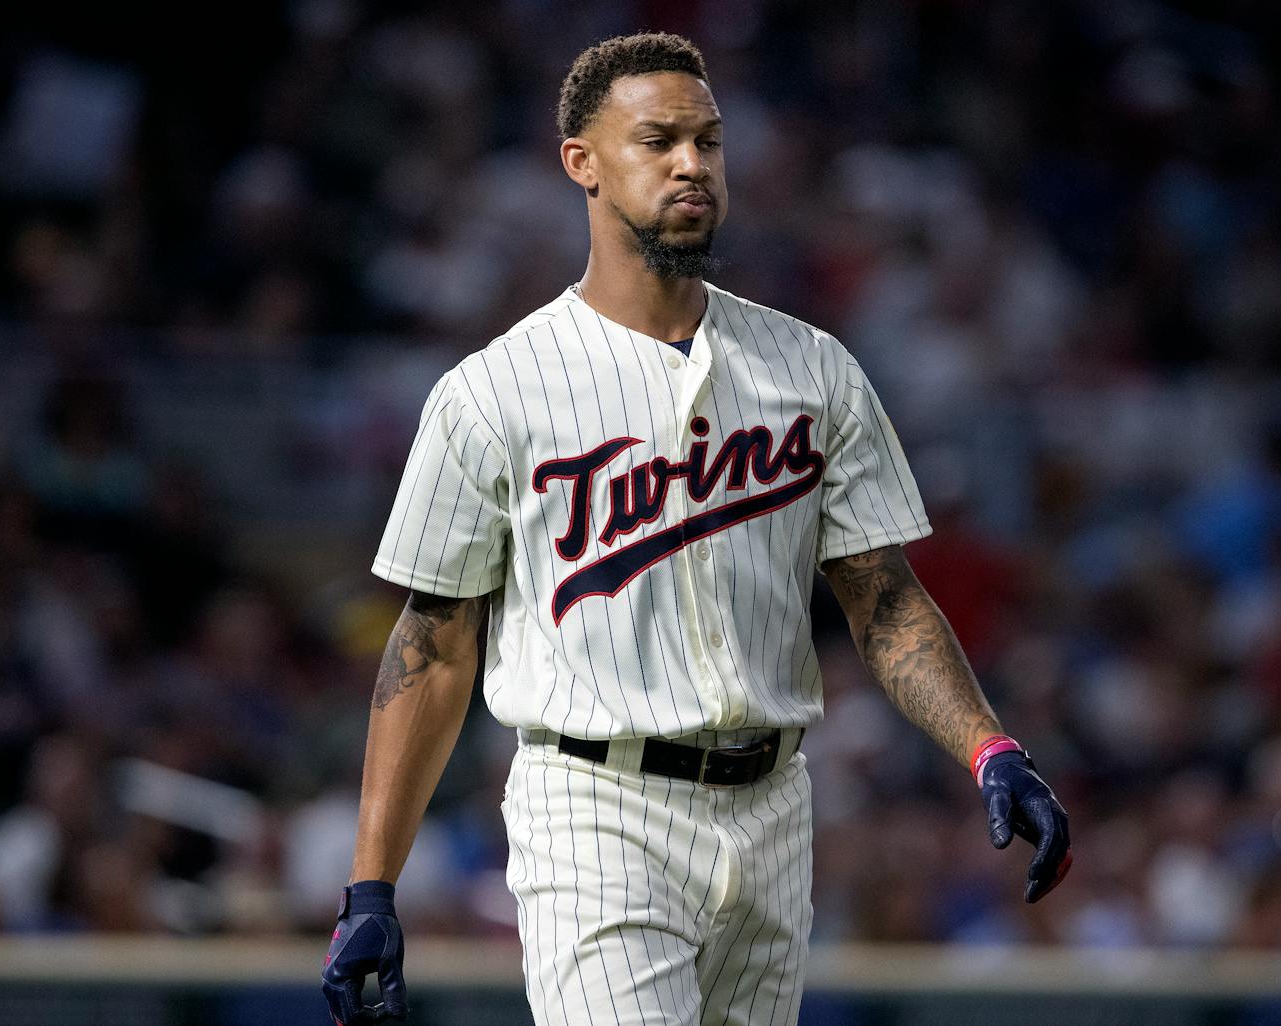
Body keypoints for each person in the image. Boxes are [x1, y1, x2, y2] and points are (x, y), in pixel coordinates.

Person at [321, 31, 1071, 1026]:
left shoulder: (810, 369)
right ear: (579, 164)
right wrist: (371, 885)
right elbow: (431, 642)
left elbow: (882, 600)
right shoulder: (492, 393)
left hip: (772, 808)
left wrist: (988, 748)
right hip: (596, 805)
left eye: (708, 142)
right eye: (657, 140)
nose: (691, 163)